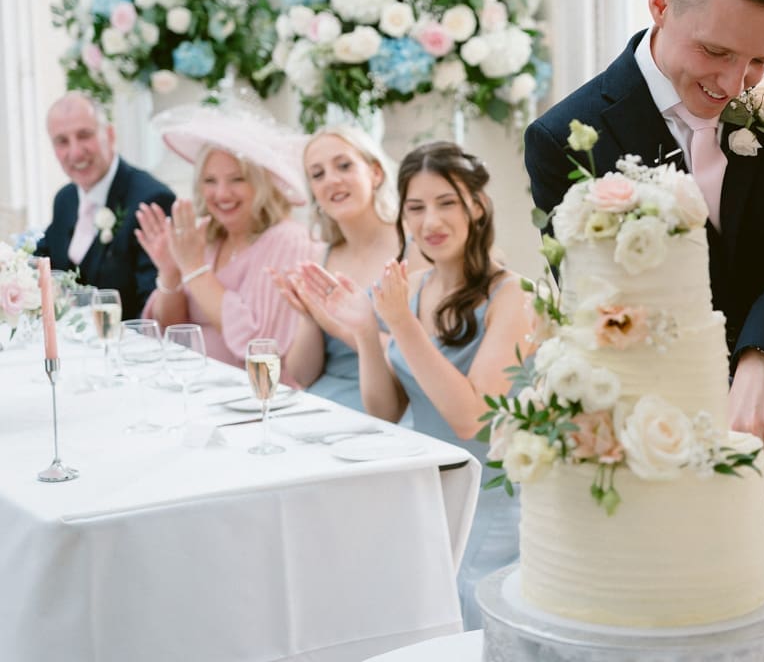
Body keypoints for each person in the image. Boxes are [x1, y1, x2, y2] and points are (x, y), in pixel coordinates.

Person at [524, 0, 764, 575]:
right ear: (660, 3)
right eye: (717, 52)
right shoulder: (564, 138)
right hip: (654, 437)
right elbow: (602, 305)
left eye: (759, 58)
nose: (734, 85)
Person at [294, 141, 532, 630]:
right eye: (416, 207)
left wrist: (400, 325)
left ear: (478, 206)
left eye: (447, 202)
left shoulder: (514, 295)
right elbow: (384, 410)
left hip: (489, 501)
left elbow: (472, 417)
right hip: (427, 493)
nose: (431, 222)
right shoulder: (417, 287)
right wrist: (365, 332)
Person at [135, 105, 322, 380]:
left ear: (264, 185)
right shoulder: (206, 239)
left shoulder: (289, 241)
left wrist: (195, 270)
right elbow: (169, 332)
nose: (221, 193)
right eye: (210, 180)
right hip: (189, 385)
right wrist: (171, 271)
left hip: (254, 397)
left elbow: (259, 346)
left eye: (237, 179)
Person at [270, 125, 401, 412]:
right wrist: (308, 318)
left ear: (375, 173)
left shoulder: (411, 249)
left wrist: (340, 328)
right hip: (317, 404)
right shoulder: (324, 256)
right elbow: (303, 375)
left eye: (344, 166)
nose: (331, 180)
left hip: (384, 410)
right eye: (317, 174)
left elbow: (417, 360)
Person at [35, 91, 175, 318]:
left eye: (84, 135)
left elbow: (154, 308)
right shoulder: (65, 199)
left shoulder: (152, 201)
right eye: (62, 141)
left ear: (109, 135)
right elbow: (41, 264)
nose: (75, 152)